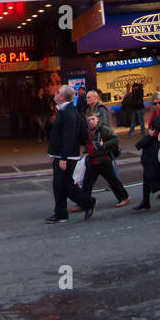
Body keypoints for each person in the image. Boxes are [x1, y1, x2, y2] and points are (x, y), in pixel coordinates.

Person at [46, 86, 94, 223]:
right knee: (59, 185)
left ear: (62, 97)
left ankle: (88, 202)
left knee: (64, 185)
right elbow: (57, 135)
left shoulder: (69, 113)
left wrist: (63, 158)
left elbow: (69, 137)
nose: (55, 94)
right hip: (60, 155)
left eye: (58, 92)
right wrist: (52, 153)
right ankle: (61, 213)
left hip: (66, 156)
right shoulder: (64, 111)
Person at [80, 111, 130, 208]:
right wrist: (85, 152)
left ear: (97, 119)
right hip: (92, 160)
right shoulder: (88, 131)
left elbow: (115, 139)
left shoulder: (103, 129)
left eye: (93, 119)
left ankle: (124, 197)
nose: (91, 121)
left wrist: (104, 144)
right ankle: (84, 203)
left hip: (103, 160)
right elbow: (88, 143)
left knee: (112, 180)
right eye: (89, 120)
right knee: (87, 183)